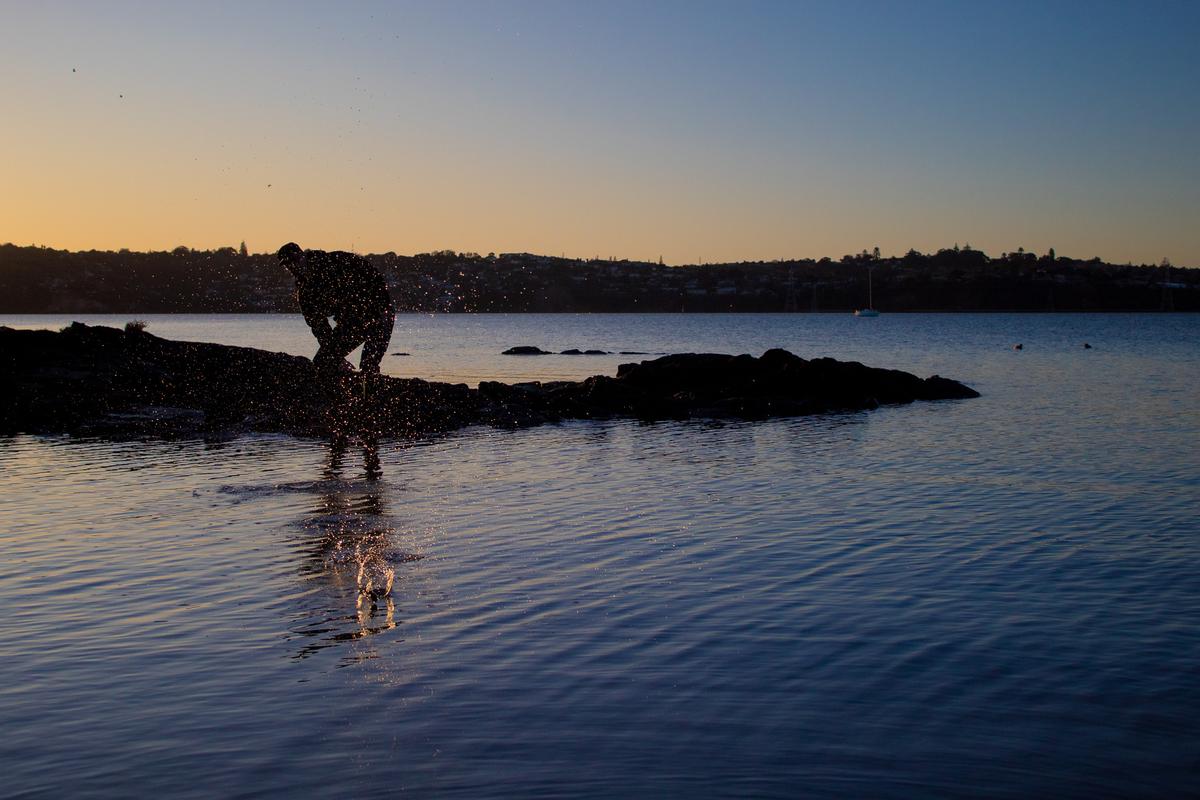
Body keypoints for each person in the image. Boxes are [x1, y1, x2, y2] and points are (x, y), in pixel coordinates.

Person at [277, 242, 395, 375]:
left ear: (303, 255)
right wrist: (338, 359)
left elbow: (371, 273)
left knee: (369, 364)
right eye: (288, 264)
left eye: (296, 260)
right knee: (323, 362)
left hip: (379, 311)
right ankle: (344, 389)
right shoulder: (305, 293)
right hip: (350, 322)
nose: (293, 266)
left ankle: (370, 380)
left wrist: (383, 305)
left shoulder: (335, 260)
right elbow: (319, 328)